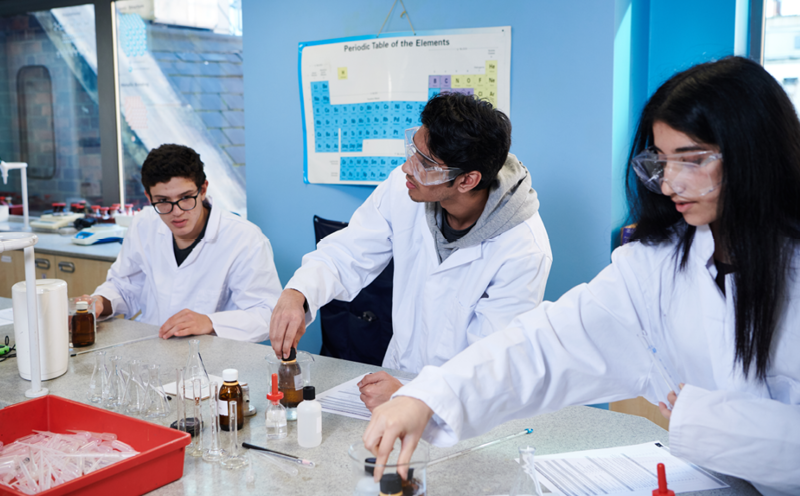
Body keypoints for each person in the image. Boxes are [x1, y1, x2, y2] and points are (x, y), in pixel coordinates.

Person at [363, 57, 800, 496]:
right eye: (661, 162)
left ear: (754, 156)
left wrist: (706, 420)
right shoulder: (657, 264)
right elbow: (546, 343)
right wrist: (431, 397)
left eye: (691, 162)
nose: (668, 185)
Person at [270, 92, 552, 410]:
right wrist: (298, 293)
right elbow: (349, 250)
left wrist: (413, 394)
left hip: (463, 411)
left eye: (425, 163)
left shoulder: (523, 250)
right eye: (412, 150)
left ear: (467, 180)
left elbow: (489, 366)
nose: (407, 167)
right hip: (394, 379)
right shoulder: (406, 189)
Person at [84, 144, 282, 343]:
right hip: (153, 350)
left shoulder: (244, 238)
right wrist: (100, 302)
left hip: (213, 361)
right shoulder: (143, 224)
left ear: (203, 189)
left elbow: (267, 313)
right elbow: (123, 286)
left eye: (186, 198)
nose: (176, 211)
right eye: (162, 200)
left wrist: (210, 322)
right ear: (148, 197)